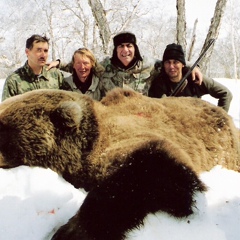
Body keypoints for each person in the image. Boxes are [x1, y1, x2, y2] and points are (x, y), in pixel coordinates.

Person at [47, 31, 203, 95]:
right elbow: (84, 65)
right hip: (112, 117)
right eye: (121, 46)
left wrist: (192, 66)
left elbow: (173, 63)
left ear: (135, 48)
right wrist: (59, 63)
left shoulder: (149, 64)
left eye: (129, 46)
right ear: (116, 50)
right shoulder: (104, 66)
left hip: (141, 116)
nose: (125, 50)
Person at [148, 43, 232, 112]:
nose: (171, 66)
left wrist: (220, 121)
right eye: (168, 62)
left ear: (183, 64)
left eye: (176, 62)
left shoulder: (195, 78)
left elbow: (225, 94)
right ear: (163, 64)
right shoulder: (158, 84)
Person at [1, 34, 64, 101]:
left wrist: (59, 63)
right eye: (39, 50)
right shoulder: (14, 81)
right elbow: (6, 110)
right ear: (27, 52)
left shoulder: (56, 75)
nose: (43, 55)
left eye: (46, 51)